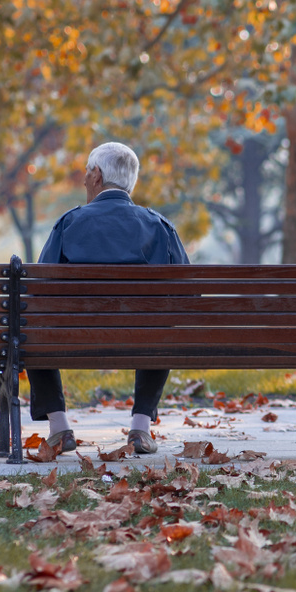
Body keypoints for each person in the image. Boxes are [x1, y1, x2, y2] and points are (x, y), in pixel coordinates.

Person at [26, 142, 189, 455]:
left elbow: (38, 291)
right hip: (145, 339)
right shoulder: (159, 226)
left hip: (73, 339)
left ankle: (59, 427)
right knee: (161, 327)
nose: (85, 180)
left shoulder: (69, 223)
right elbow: (188, 295)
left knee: (29, 328)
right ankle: (140, 428)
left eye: (87, 173)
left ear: (97, 175)